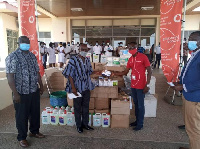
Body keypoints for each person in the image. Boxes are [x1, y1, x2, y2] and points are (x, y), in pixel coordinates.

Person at [5, 36, 45, 148]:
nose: (26, 44)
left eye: (27, 42)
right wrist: (15, 94)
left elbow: (37, 72)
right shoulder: (12, 57)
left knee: (35, 113)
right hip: (21, 92)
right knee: (21, 116)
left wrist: (41, 86)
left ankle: (34, 131)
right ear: (19, 43)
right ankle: (22, 137)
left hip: (33, 90)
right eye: (23, 42)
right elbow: (10, 76)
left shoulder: (32, 56)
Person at [114, 42, 152, 131]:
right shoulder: (130, 59)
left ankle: (140, 124)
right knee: (136, 103)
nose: (131, 49)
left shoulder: (143, 57)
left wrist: (147, 85)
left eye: (133, 47)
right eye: (130, 47)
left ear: (137, 47)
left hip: (141, 85)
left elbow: (150, 71)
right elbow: (125, 72)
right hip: (133, 85)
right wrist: (114, 73)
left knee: (140, 105)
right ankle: (136, 120)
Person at [62, 44, 100, 133]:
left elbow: (89, 72)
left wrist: (98, 72)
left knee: (86, 107)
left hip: (86, 87)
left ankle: (85, 124)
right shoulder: (73, 60)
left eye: (86, 49)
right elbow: (69, 75)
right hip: (77, 88)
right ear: (78, 49)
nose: (84, 51)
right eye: (82, 49)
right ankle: (79, 126)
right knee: (78, 107)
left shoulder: (87, 60)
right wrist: (73, 88)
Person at [174, 31, 200, 149]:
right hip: (189, 96)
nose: (189, 42)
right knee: (190, 126)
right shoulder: (194, 54)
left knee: (194, 129)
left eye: (192, 39)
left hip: (195, 98)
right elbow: (189, 72)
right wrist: (180, 81)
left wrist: (184, 87)